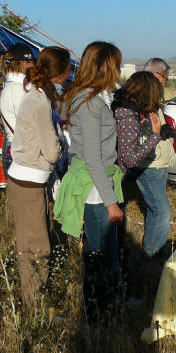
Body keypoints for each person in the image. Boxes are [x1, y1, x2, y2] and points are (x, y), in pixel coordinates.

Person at [56, 41, 124, 320]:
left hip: (98, 180)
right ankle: (97, 315)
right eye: (117, 64)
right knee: (100, 253)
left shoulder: (88, 98)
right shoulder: (90, 103)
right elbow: (93, 158)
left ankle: (101, 310)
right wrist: (111, 204)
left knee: (102, 251)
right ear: (107, 67)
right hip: (96, 187)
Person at [6, 46, 70, 314]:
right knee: (36, 248)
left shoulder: (34, 95)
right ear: (61, 71)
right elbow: (52, 149)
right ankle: (36, 309)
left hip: (25, 177)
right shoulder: (40, 102)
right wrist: (62, 145)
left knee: (30, 241)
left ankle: (34, 301)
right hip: (30, 180)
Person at [119, 57, 176, 258]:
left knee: (157, 207)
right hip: (149, 162)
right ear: (157, 75)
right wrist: (156, 135)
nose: (165, 83)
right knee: (161, 209)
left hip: (154, 160)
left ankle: (151, 253)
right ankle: (152, 255)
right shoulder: (139, 100)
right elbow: (134, 145)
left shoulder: (143, 96)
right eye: (165, 79)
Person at [0, 43, 36, 173]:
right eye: (31, 62)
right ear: (24, 63)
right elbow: (29, 125)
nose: (33, 65)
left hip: (20, 152)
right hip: (24, 154)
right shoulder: (17, 89)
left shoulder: (12, 87)